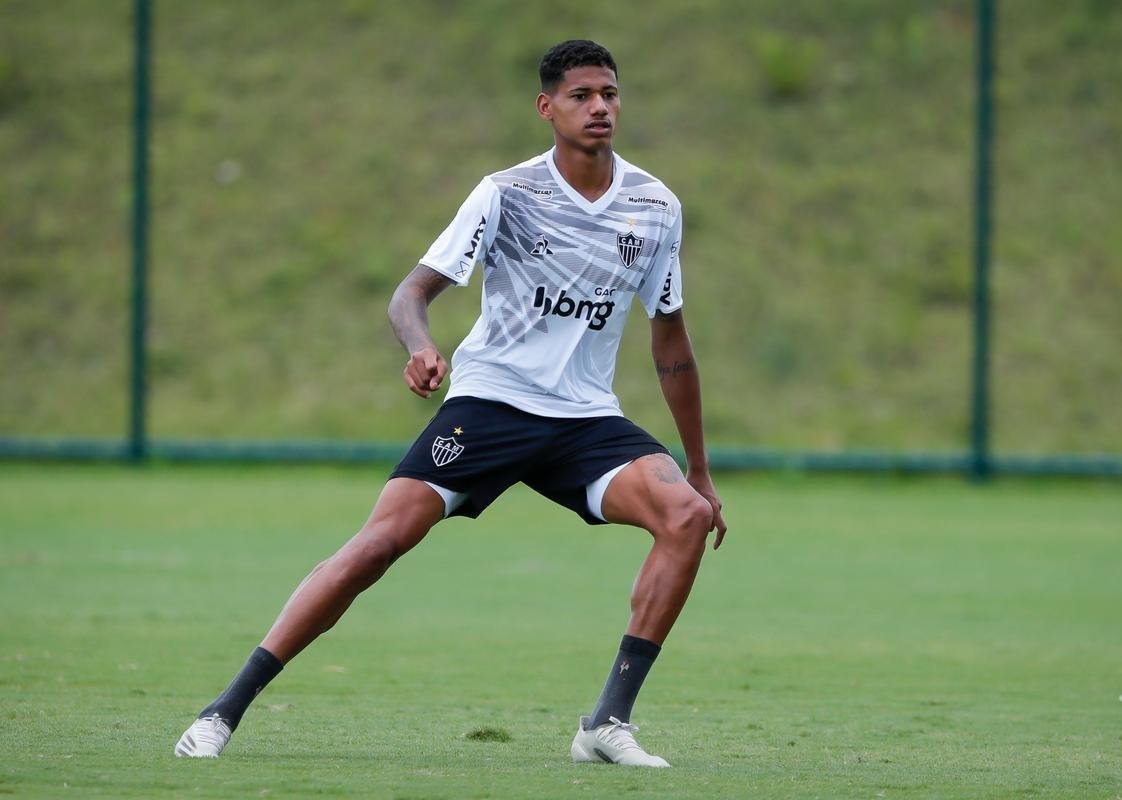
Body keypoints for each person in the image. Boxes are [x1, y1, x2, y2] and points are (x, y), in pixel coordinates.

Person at [175, 39, 726, 768]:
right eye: (582, 96)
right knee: (375, 548)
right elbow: (411, 293)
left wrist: (698, 467)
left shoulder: (655, 207)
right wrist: (419, 346)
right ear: (547, 107)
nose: (599, 108)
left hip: (587, 418)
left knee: (684, 516)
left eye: (610, 95)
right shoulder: (506, 193)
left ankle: (605, 724)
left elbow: (671, 342)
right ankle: (223, 710)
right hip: (491, 404)